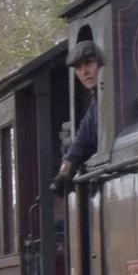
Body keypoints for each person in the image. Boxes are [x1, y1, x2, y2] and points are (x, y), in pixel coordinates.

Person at [51, 39, 103, 195]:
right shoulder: (96, 105)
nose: (84, 71)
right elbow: (80, 143)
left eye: (89, 63)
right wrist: (63, 174)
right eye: (78, 67)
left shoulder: (108, 100)